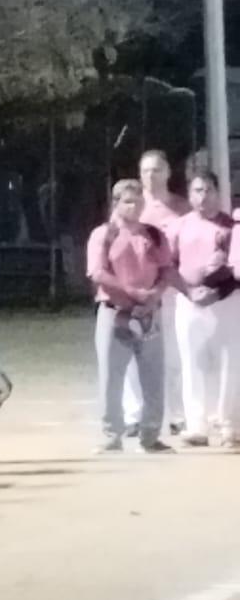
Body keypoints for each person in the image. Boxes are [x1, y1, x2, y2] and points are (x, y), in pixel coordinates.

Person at [88, 179, 176, 453]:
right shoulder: (104, 234)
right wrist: (130, 291)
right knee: (111, 378)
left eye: (139, 201)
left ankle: (151, 435)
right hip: (115, 313)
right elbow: (97, 273)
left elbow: (166, 270)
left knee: (153, 376)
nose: (135, 206)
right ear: (116, 203)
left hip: (149, 313)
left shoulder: (154, 235)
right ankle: (112, 434)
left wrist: (154, 295)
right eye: (128, 201)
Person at [168, 171, 237, 448]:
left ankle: (228, 422)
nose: (202, 196)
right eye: (197, 190)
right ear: (189, 194)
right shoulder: (179, 226)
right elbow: (169, 265)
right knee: (192, 362)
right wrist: (189, 292)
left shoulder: (232, 226)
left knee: (230, 363)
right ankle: (196, 424)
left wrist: (217, 292)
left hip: (227, 301)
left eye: (208, 190)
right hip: (189, 302)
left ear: (218, 192)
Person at [126, 151, 190, 437]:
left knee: (175, 354)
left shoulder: (182, 207)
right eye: (145, 171)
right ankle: (135, 414)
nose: (150, 176)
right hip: (138, 292)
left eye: (156, 170)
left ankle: (177, 413)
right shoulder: (131, 208)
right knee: (134, 353)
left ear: (167, 173)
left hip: (172, 291)